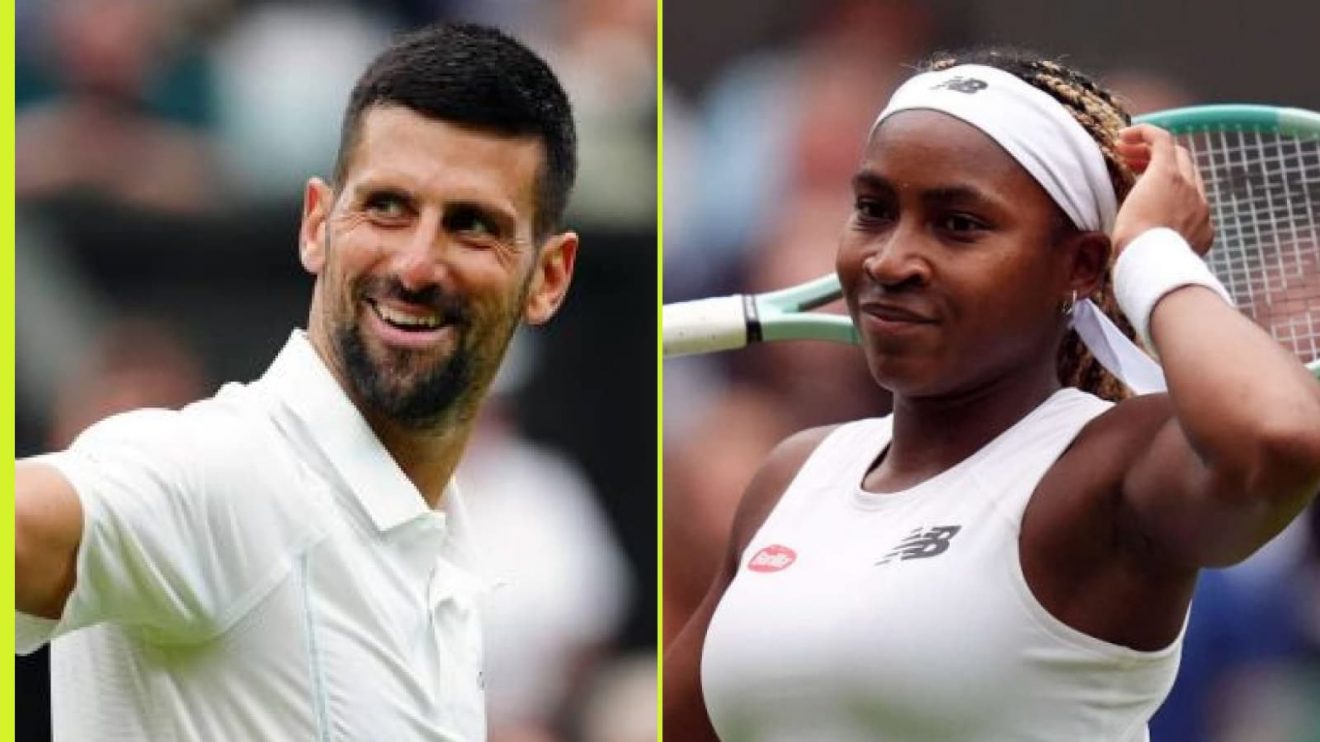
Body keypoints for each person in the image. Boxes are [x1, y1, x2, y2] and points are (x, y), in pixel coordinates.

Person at [663, 47, 1320, 741]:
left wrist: (1154, 253)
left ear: (1082, 265)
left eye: (959, 225)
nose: (889, 260)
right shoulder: (791, 475)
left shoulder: (1110, 467)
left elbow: (1280, 439)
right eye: (873, 209)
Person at [15, 22, 579, 741]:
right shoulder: (219, 475)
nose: (415, 265)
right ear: (317, 223)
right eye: (386, 207)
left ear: (549, 277)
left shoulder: (444, 556)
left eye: (470, 226)